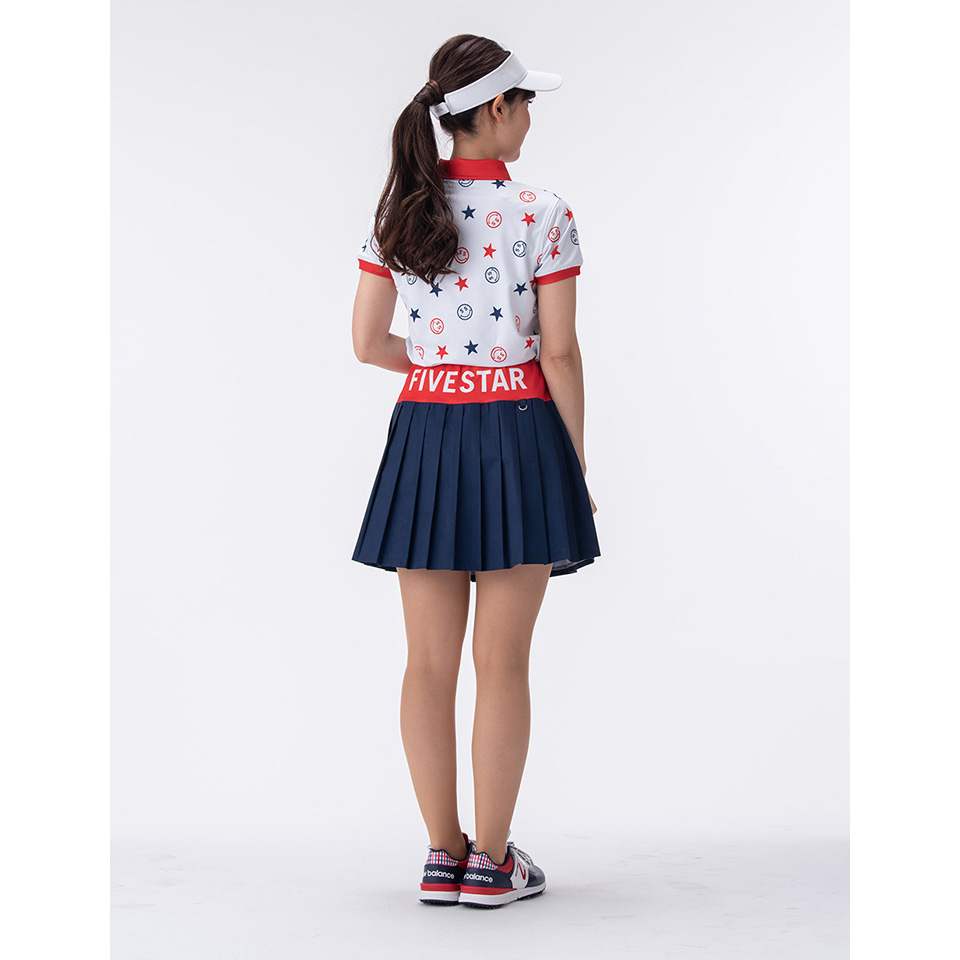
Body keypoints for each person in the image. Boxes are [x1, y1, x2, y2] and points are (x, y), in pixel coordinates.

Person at [350, 34, 601, 909]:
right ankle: (492, 864)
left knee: (426, 663)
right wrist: (575, 463)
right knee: (503, 662)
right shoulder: (543, 211)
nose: (529, 119)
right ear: (496, 109)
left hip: (425, 435)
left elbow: (366, 343)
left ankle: (441, 854)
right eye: (525, 103)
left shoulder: (399, 211)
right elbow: (559, 354)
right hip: (520, 434)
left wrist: (436, 363)